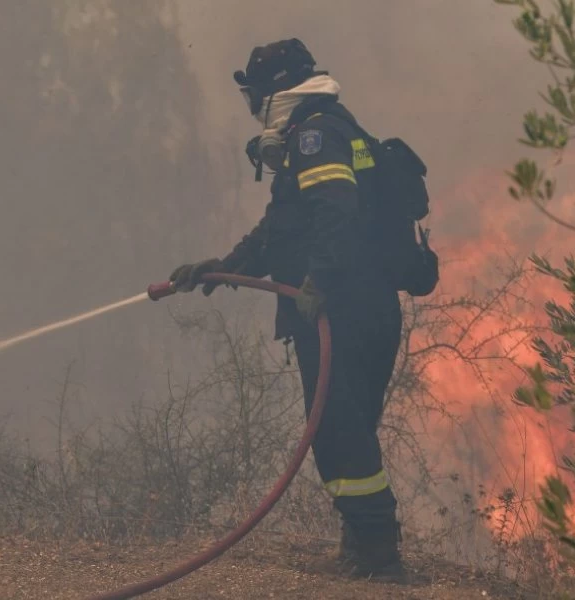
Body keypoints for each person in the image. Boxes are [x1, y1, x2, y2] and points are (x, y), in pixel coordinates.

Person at [168, 38, 408, 583]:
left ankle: (377, 558)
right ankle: (366, 546)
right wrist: (223, 266)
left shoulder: (316, 136)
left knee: (337, 430)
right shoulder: (326, 129)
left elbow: (336, 213)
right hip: (363, 307)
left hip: (339, 312)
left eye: (254, 96)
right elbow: (284, 226)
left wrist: (318, 282)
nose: (252, 108)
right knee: (349, 428)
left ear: (275, 92)